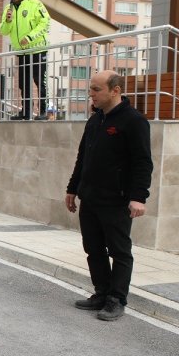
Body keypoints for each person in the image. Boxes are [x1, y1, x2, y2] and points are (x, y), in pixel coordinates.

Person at [65, 70, 153, 321]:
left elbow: (142, 163)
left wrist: (139, 197)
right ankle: (101, 293)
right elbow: (83, 158)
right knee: (93, 249)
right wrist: (72, 188)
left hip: (116, 200)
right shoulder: (95, 120)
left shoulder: (133, 121)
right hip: (90, 198)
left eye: (96, 89)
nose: (91, 94)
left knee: (119, 251)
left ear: (115, 90)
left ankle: (117, 300)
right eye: (90, 89)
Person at [0, 0, 51, 120]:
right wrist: (8, 21)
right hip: (21, 53)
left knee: (40, 81)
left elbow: (45, 22)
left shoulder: (35, 4)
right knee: (23, 83)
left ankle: (43, 112)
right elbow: (3, 31)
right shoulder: (7, 9)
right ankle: (26, 112)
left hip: (38, 50)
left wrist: (29, 37)